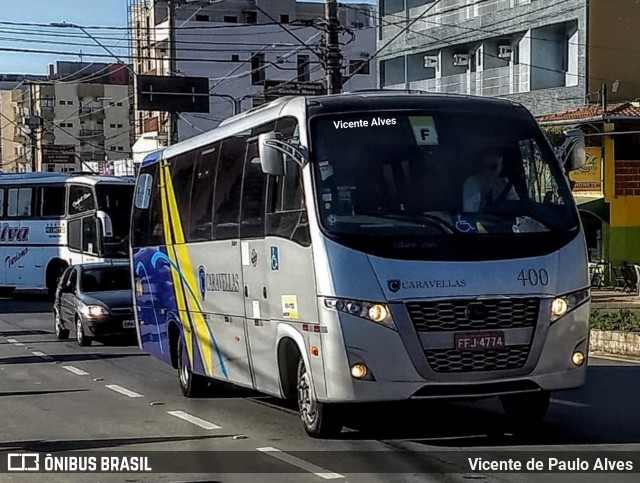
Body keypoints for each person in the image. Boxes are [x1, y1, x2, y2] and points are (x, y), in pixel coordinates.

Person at [463, 148, 518, 212]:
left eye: (494, 167)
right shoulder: (472, 182)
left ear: (501, 167)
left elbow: (515, 208)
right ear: (481, 167)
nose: (489, 170)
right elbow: (469, 210)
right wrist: (485, 190)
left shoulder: (505, 185)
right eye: (486, 166)